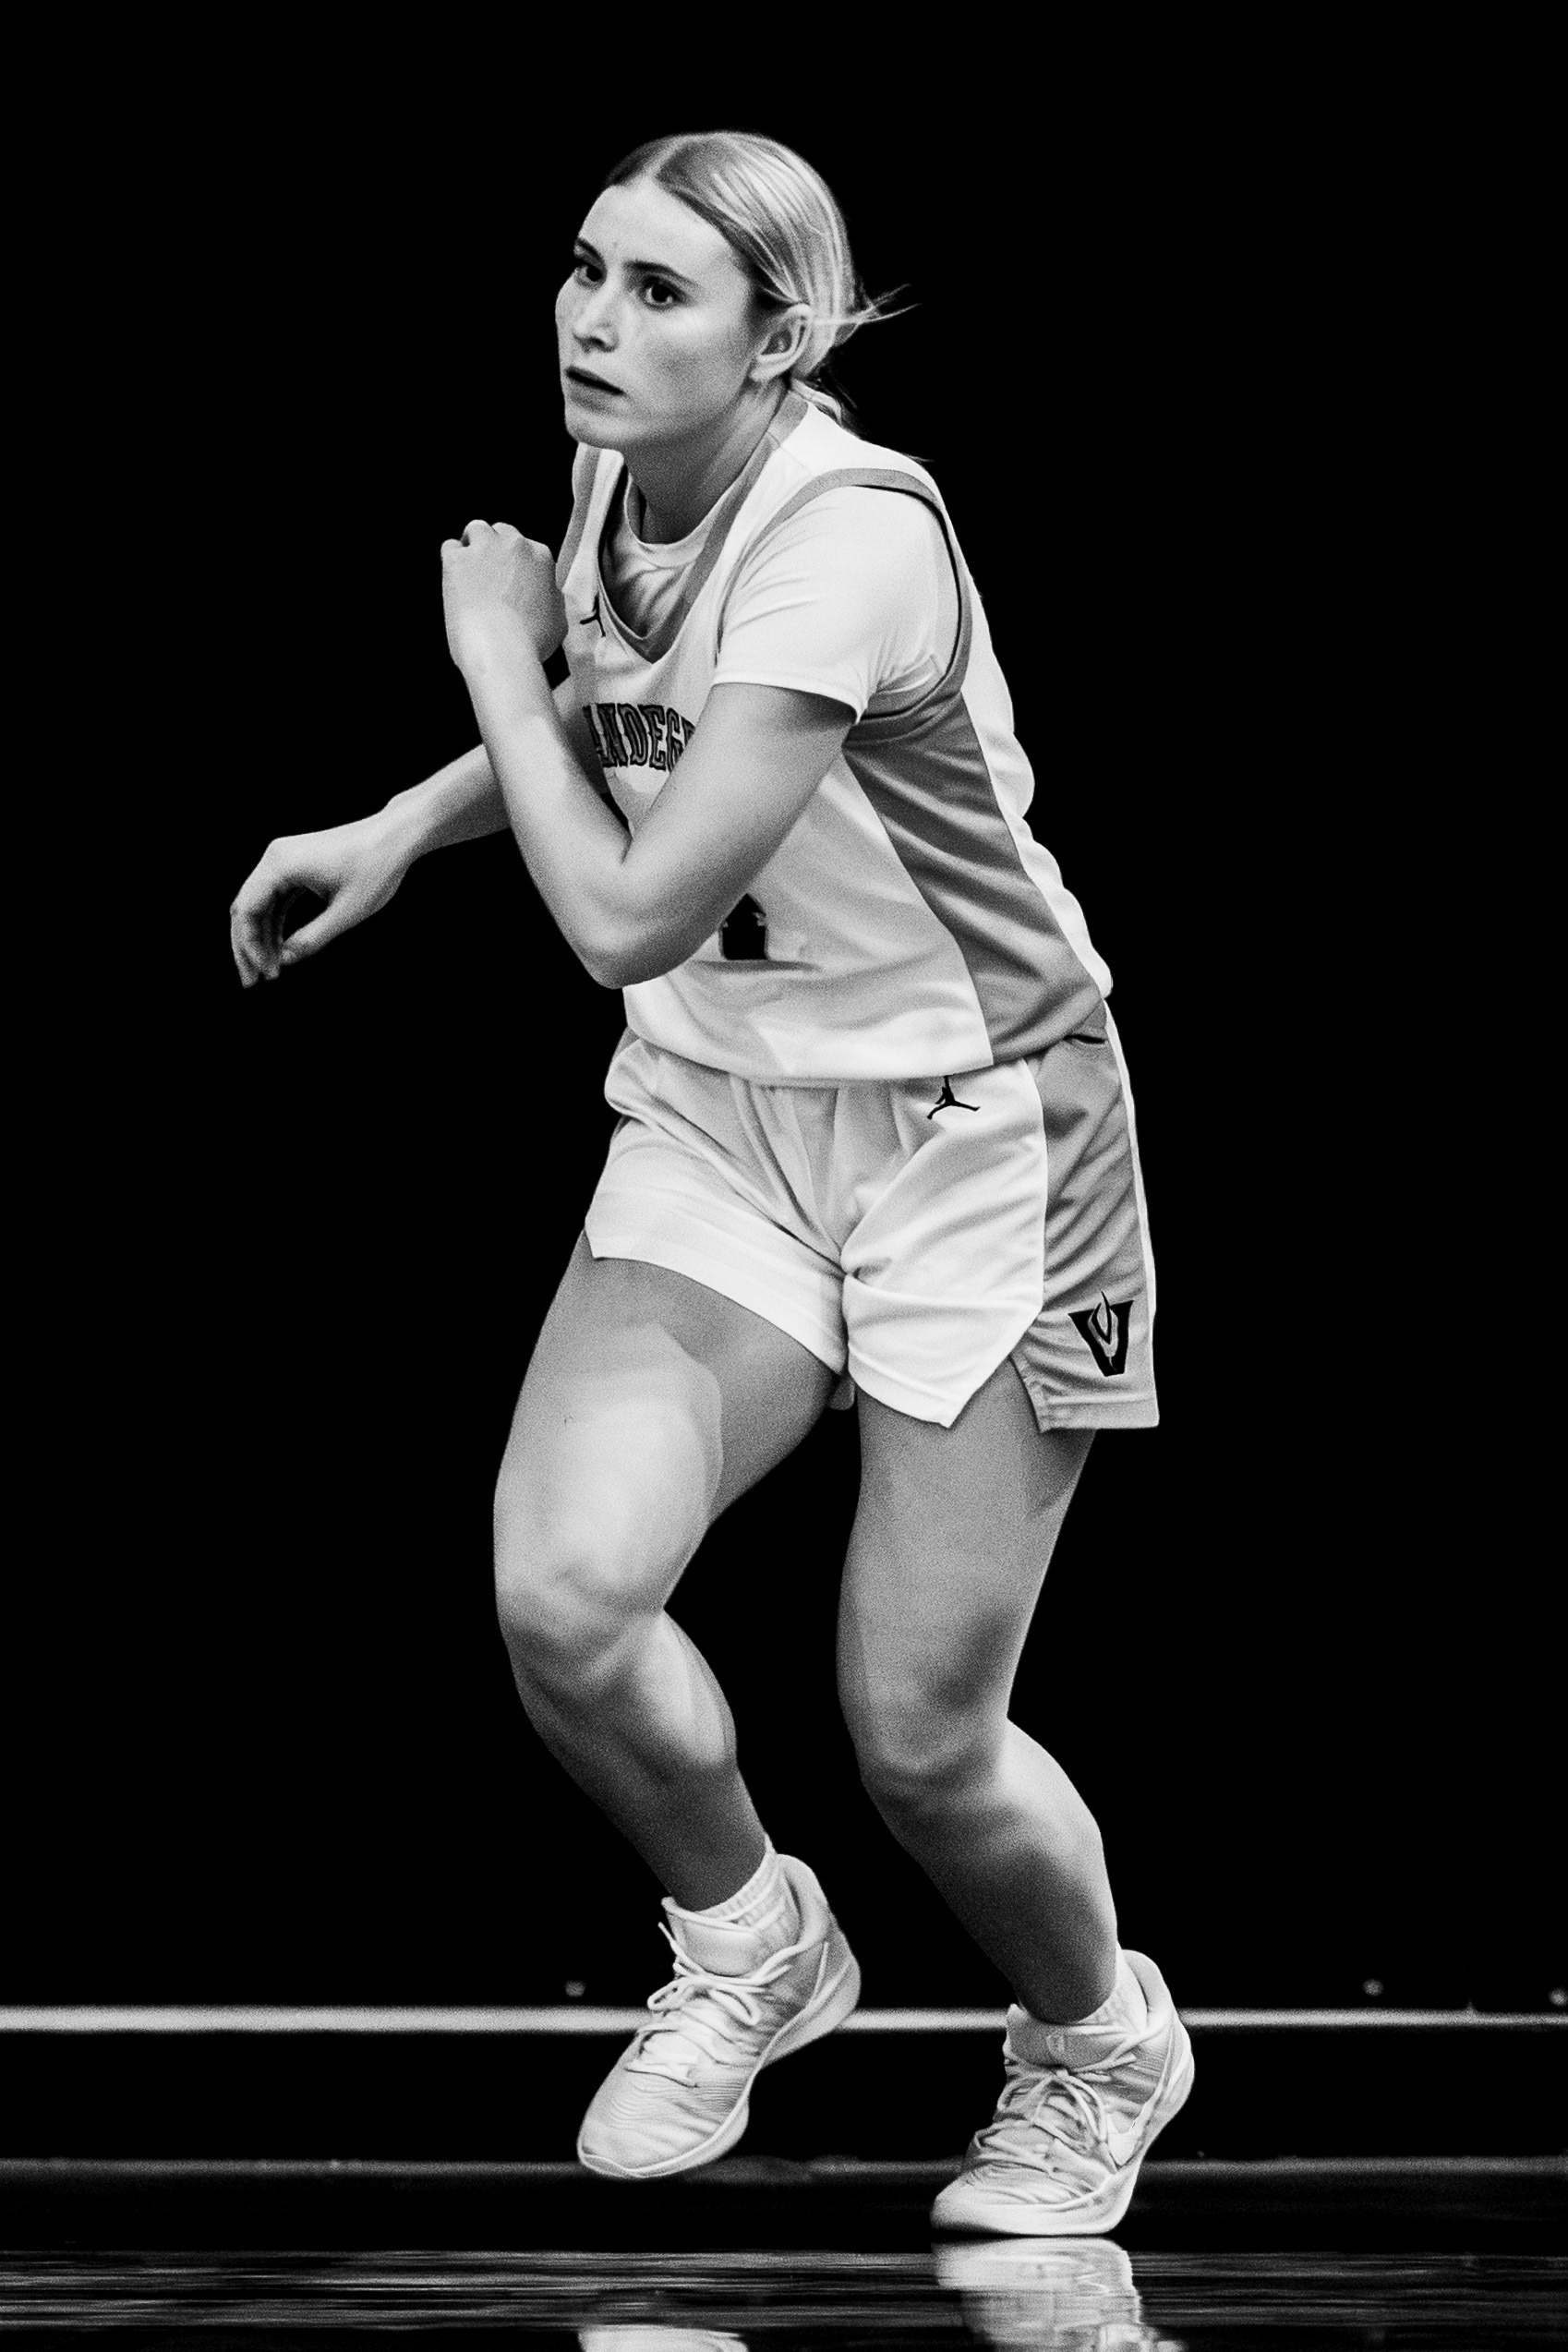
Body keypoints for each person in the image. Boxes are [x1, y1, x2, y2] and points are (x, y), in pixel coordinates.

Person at [229, 129, 1193, 2235]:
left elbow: (627, 912)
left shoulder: (850, 535)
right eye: (585, 268)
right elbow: (626, 715)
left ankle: (1100, 2041)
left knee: (920, 1740)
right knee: (565, 1600)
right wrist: (405, 823)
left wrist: (487, 659)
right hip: (728, 1114)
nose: (593, 319)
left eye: (659, 291)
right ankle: (754, 1940)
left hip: (983, 1135)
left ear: (781, 340)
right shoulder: (616, 479)